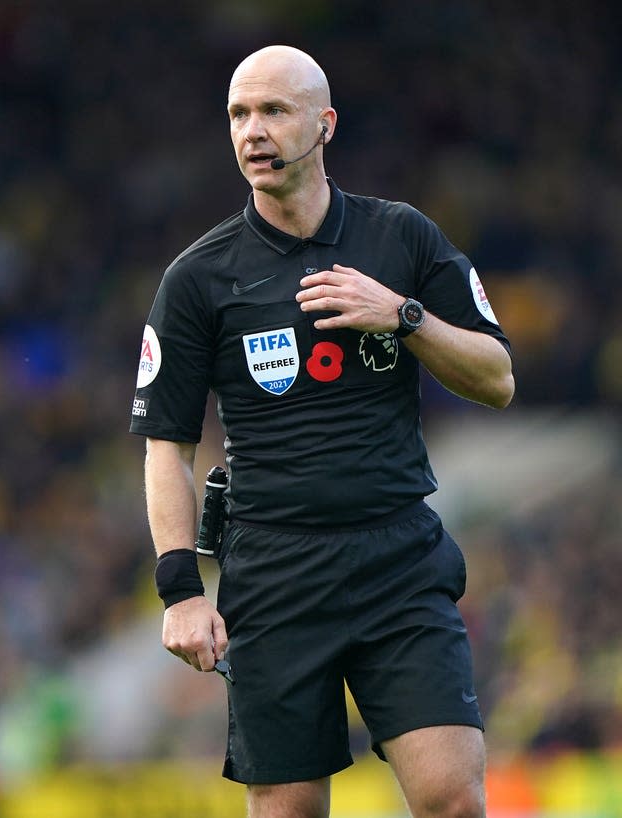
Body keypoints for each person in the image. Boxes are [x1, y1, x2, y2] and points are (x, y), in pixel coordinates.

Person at [130, 44, 514, 818]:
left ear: (324, 123)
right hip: (275, 574)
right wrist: (179, 590)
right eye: (239, 114)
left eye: (273, 110)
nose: (253, 131)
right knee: (289, 811)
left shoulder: (401, 239)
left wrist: (401, 316)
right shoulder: (199, 278)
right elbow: (166, 444)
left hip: (398, 559)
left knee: (454, 799)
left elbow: (497, 378)